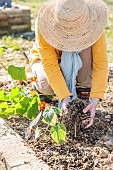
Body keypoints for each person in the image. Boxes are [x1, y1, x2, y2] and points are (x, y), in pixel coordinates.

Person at [29, 0, 108, 128]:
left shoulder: (94, 23)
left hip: (80, 56)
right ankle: (40, 86)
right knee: (46, 86)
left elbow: (101, 63)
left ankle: (83, 91)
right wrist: (64, 97)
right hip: (51, 60)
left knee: (88, 52)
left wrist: (96, 97)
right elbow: (50, 65)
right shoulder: (45, 24)